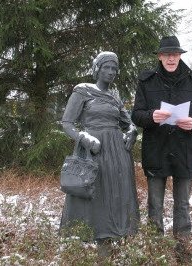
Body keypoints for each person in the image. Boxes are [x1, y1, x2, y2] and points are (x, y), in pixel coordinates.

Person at [131, 36, 192, 261]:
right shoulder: (147, 81)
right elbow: (136, 115)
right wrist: (151, 116)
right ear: (159, 57)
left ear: (180, 56)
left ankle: (182, 251)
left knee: (183, 204)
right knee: (154, 205)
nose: (171, 58)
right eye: (166, 54)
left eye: (175, 54)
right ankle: (155, 252)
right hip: (156, 151)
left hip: (185, 152)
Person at [60, 51, 140, 257]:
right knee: (95, 195)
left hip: (117, 153)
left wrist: (132, 131)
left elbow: (127, 121)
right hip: (93, 151)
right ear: (97, 69)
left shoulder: (114, 97)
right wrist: (84, 139)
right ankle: (95, 237)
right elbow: (67, 124)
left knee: (116, 194)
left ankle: (116, 236)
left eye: (114, 69)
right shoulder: (82, 91)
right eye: (106, 67)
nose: (111, 72)